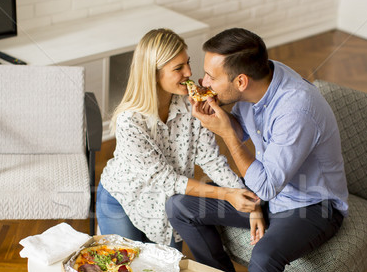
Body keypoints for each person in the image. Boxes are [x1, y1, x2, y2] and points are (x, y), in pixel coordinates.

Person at [166, 28, 349, 272]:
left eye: (211, 77)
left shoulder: (296, 108)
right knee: (181, 206)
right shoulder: (259, 82)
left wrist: (227, 132)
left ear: (241, 81)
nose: (203, 82)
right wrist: (220, 112)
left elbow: (262, 179)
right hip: (270, 194)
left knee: (265, 256)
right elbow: (255, 151)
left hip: (312, 206)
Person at [97, 28, 264, 251]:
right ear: (154, 74)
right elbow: (167, 180)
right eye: (178, 68)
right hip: (122, 201)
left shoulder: (190, 104)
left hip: (166, 206)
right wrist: (227, 195)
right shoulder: (130, 121)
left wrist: (249, 202)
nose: (189, 72)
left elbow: (211, 160)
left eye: (188, 63)